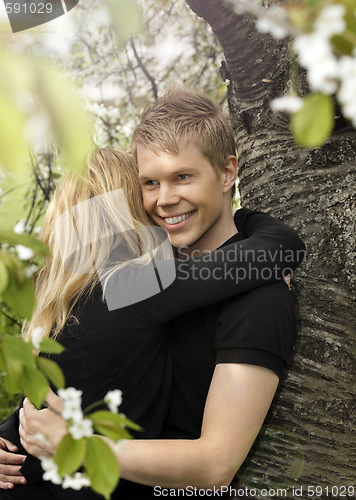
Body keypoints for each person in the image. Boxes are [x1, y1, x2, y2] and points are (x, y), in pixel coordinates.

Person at [0, 92, 305, 499]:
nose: (163, 200)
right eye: (149, 184)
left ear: (229, 172)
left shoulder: (251, 299)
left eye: (182, 176)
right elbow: (282, 246)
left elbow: (216, 463)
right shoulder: (136, 283)